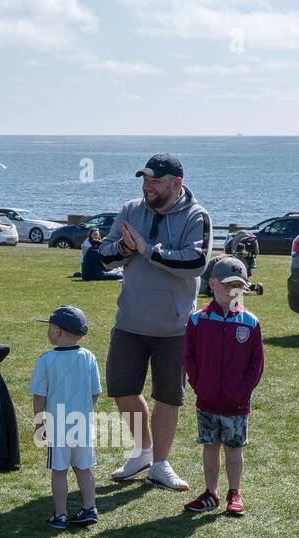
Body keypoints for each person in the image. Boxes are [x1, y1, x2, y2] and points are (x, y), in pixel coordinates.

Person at [97, 153, 212, 492]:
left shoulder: (197, 216)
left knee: (168, 397)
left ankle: (160, 464)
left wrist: (146, 249)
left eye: (155, 182)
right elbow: (104, 257)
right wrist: (124, 247)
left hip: (174, 328)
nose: (148, 187)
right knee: (122, 389)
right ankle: (143, 452)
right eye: (145, 180)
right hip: (130, 322)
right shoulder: (130, 210)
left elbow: (196, 262)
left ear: (176, 184)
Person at [181, 258, 264, 517]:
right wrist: (199, 385)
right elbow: (189, 357)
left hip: (237, 403)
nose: (233, 291)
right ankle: (210, 492)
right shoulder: (198, 320)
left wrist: (244, 390)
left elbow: (256, 362)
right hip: (207, 400)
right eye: (228, 285)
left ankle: (234, 492)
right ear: (213, 284)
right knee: (210, 446)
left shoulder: (250, 322)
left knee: (234, 449)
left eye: (239, 286)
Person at [31, 305, 101, 530]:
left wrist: (39, 424)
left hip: (57, 426)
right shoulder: (89, 357)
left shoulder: (46, 360)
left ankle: (61, 515)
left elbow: (39, 397)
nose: (48, 332)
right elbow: (96, 391)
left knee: (59, 470)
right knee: (83, 468)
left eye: (50, 327)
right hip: (82, 424)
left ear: (58, 331)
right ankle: (90, 508)